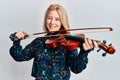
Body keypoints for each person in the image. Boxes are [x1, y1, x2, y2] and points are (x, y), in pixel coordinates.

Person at [9, 4, 98, 80]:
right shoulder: (39, 42)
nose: (52, 22)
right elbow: (19, 56)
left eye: (57, 19)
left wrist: (84, 52)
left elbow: (76, 69)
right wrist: (16, 40)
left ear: (62, 22)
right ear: (45, 20)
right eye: (49, 18)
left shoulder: (68, 43)